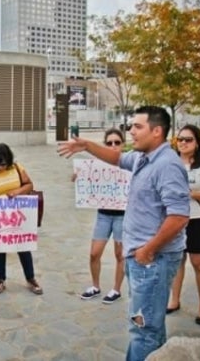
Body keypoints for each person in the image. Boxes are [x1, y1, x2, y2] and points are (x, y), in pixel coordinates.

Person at [58, 106, 190, 361]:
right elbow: (116, 158)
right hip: (141, 258)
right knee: (148, 325)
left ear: (157, 131)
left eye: (137, 127)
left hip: (153, 260)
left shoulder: (167, 165)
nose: (131, 131)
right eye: (131, 126)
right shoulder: (143, 157)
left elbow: (179, 216)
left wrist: (148, 250)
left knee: (144, 330)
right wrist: (86, 145)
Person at [166, 124, 200, 325]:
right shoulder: (171, 163)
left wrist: (191, 194)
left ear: (197, 143)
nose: (182, 143)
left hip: (198, 220)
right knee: (177, 261)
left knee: (199, 264)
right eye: (179, 139)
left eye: (188, 139)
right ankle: (174, 300)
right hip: (174, 218)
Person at [0, 143, 43, 295]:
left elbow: (29, 185)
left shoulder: (17, 168)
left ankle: (30, 278)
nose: (0, 168)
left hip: (18, 214)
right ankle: (0, 279)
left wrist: (17, 191)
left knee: (23, 246)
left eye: (3, 165)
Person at [78, 128, 126, 304]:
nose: (113, 146)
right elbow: (81, 180)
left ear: (123, 144)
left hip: (123, 215)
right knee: (94, 253)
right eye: (109, 143)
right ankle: (95, 286)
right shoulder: (97, 164)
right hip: (104, 214)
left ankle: (116, 289)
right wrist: (80, 176)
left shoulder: (129, 164)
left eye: (117, 142)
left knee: (120, 254)